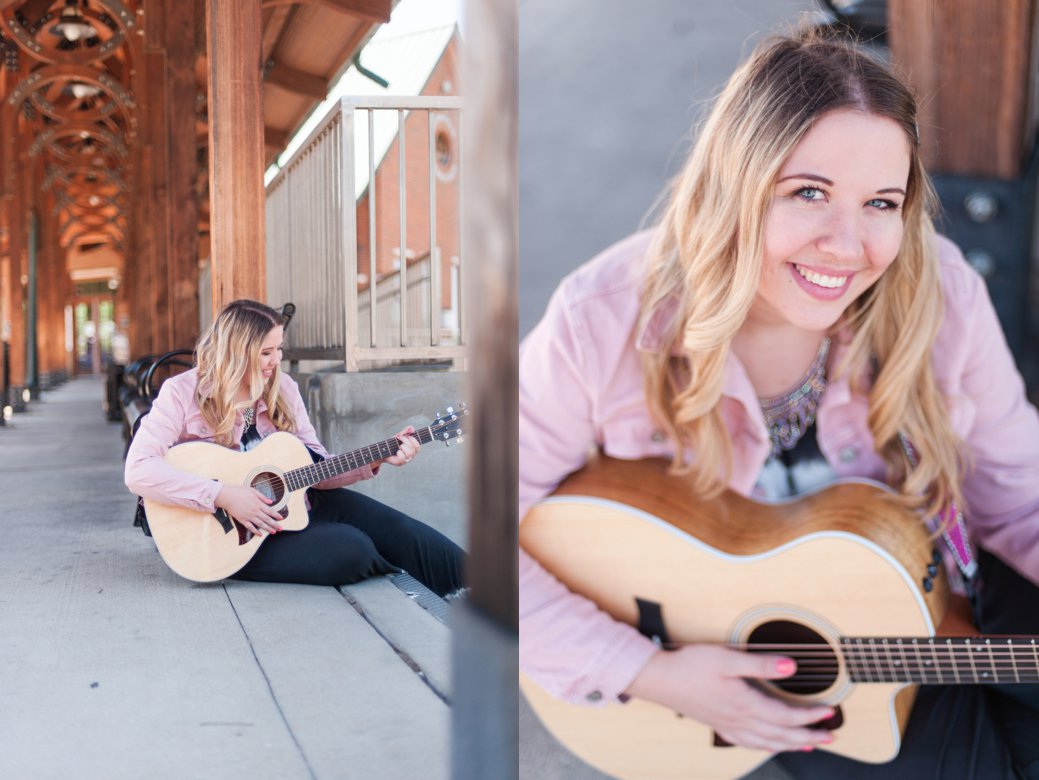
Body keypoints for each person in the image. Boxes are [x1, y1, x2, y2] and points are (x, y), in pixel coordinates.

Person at [519, 26, 1039, 780]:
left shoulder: (941, 293)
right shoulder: (596, 322)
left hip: (931, 599)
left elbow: (1020, 496)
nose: (848, 245)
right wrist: (648, 671)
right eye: (808, 193)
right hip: (795, 679)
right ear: (734, 184)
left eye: (880, 203)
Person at [125, 299, 465, 597]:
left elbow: (317, 468)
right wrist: (222, 495)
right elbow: (138, 470)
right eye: (266, 352)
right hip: (227, 535)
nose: (276, 360)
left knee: (403, 532)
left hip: (296, 500)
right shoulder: (182, 392)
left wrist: (379, 457)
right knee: (352, 551)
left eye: (279, 349)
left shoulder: (283, 388)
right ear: (235, 351)